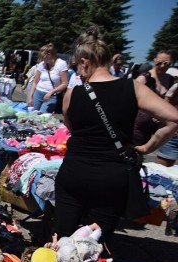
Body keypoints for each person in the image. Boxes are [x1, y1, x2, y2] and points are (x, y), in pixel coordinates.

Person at [53, 26, 178, 243]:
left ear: (84, 62)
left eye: (77, 66)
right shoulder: (133, 88)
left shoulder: (72, 94)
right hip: (111, 177)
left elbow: (73, 130)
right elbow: (174, 119)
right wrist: (147, 148)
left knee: (61, 238)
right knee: (95, 245)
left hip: (74, 171)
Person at [27, 43, 69, 113]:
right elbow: (35, 82)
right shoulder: (41, 65)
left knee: (43, 117)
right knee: (32, 116)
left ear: (49, 55)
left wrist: (52, 91)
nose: (41, 59)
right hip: (38, 93)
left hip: (51, 96)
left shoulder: (61, 64)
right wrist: (30, 97)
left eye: (42, 57)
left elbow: (65, 83)